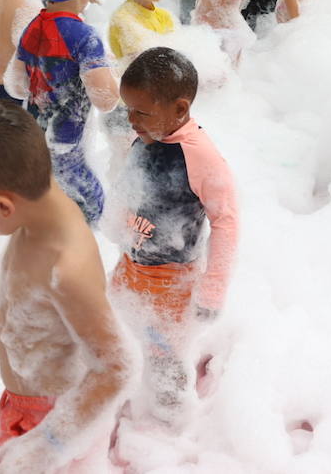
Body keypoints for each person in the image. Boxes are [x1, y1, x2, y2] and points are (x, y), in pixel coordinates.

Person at [0, 102, 131, 471]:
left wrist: (45, 446)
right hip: (28, 412)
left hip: (57, 423)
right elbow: (12, 286)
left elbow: (117, 367)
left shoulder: (67, 268)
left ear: (3, 205)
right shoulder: (35, 214)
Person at [108, 47, 238, 428]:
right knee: (122, 332)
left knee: (165, 357)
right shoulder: (150, 135)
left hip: (170, 280)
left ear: (180, 109)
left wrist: (213, 288)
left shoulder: (201, 158)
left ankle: (169, 427)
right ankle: (131, 399)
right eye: (128, 109)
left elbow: (227, 222)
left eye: (141, 112)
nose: (131, 120)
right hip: (131, 264)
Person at [11, 0, 120, 224]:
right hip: (67, 142)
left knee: (47, 200)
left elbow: (16, 85)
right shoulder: (85, 36)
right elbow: (106, 100)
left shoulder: (32, 27)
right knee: (94, 206)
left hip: (35, 136)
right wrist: (112, 71)